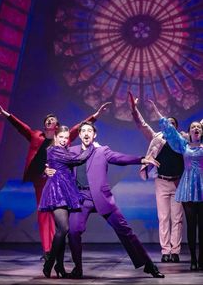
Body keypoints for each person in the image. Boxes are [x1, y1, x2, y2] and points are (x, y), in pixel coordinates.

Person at [0, 99, 111, 260]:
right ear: (45, 124)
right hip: (41, 180)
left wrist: (96, 115)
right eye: (47, 120)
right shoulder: (36, 136)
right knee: (43, 214)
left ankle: (55, 249)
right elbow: (22, 128)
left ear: (56, 126)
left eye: (52, 120)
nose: (49, 121)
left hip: (59, 182)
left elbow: (78, 127)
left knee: (59, 217)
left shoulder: (63, 139)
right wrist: (6, 114)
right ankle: (47, 250)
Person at [66, 121, 165, 278]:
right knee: (73, 231)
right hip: (81, 198)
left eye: (89, 131)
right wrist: (47, 169)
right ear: (79, 135)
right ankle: (77, 268)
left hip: (101, 198)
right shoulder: (71, 151)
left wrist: (141, 159)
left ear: (94, 135)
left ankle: (148, 265)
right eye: (83, 131)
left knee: (125, 230)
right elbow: (59, 164)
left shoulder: (102, 151)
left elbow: (120, 158)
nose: (86, 133)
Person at [128, 92, 184, 264]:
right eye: (167, 123)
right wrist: (134, 110)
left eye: (173, 124)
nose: (169, 126)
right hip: (161, 181)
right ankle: (165, 251)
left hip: (178, 182)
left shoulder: (183, 141)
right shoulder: (157, 138)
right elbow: (142, 125)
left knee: (177, 219)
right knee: (163, 218)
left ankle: (175, 251)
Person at [149, 100, 203, 271]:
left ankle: (200, 258)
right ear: (187, 132)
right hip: (186, 185)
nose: (196, 129)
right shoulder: (183, 144)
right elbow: (170, 131)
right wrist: (157, 112)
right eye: (193, 127)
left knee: (199, 225)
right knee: (186, 222)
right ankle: (192, 258)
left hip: (201, 186)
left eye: (198, 127)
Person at [38, 125, 94, 278]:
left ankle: (60, 267)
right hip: (57, 191)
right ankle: (49, 262)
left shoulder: (63, 150)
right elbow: (78, 159)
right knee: (64, 229)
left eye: (66, 138)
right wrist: (92, 147)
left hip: (67, 190)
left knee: (60, 233)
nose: (63, 140)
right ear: (55, 137)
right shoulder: (54, 150)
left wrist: (45, 171)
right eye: (60, 137)